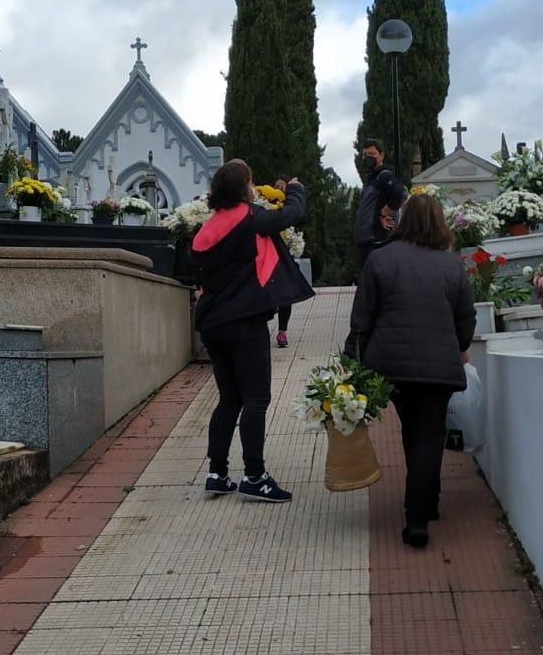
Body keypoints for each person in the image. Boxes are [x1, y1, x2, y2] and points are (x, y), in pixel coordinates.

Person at [345, 192, 476, 549]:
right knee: (430, 433)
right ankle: (419, 513)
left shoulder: (380, 259)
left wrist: (351, 360)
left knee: (412, 429)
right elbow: (466, 318)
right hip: (438, 366)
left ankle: (424, 502)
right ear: (439, 222)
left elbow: (363, 316)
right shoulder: (452, 266)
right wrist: (459, 345)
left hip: (393, 366)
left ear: (403, 222)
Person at [191, 159, 314, 502]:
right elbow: (292, 214)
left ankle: (217, 473)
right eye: (250, 181)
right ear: (243, 188)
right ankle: (255, 476)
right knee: (256, 399)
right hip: (245, 322)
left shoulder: (205, 230)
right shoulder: (250, 218)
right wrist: (295, 189)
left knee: (228, 399)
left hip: (212, 324)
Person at [353, 138, 408, 270]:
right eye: (364, 155)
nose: (367, 158)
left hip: (378, 241)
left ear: (381, 155)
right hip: (367, 241)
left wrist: (385, 212)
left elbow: (400, 193)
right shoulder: (371, 178)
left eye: (371, 154)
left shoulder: (384, 175)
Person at [272, 176, 295, 348]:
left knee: (286, 296)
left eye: (283, 188)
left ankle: (282, 331)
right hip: (270, 258)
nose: (280, 190)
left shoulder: (290, 210)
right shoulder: (267, 209)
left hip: (285, 257)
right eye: (277, 187)